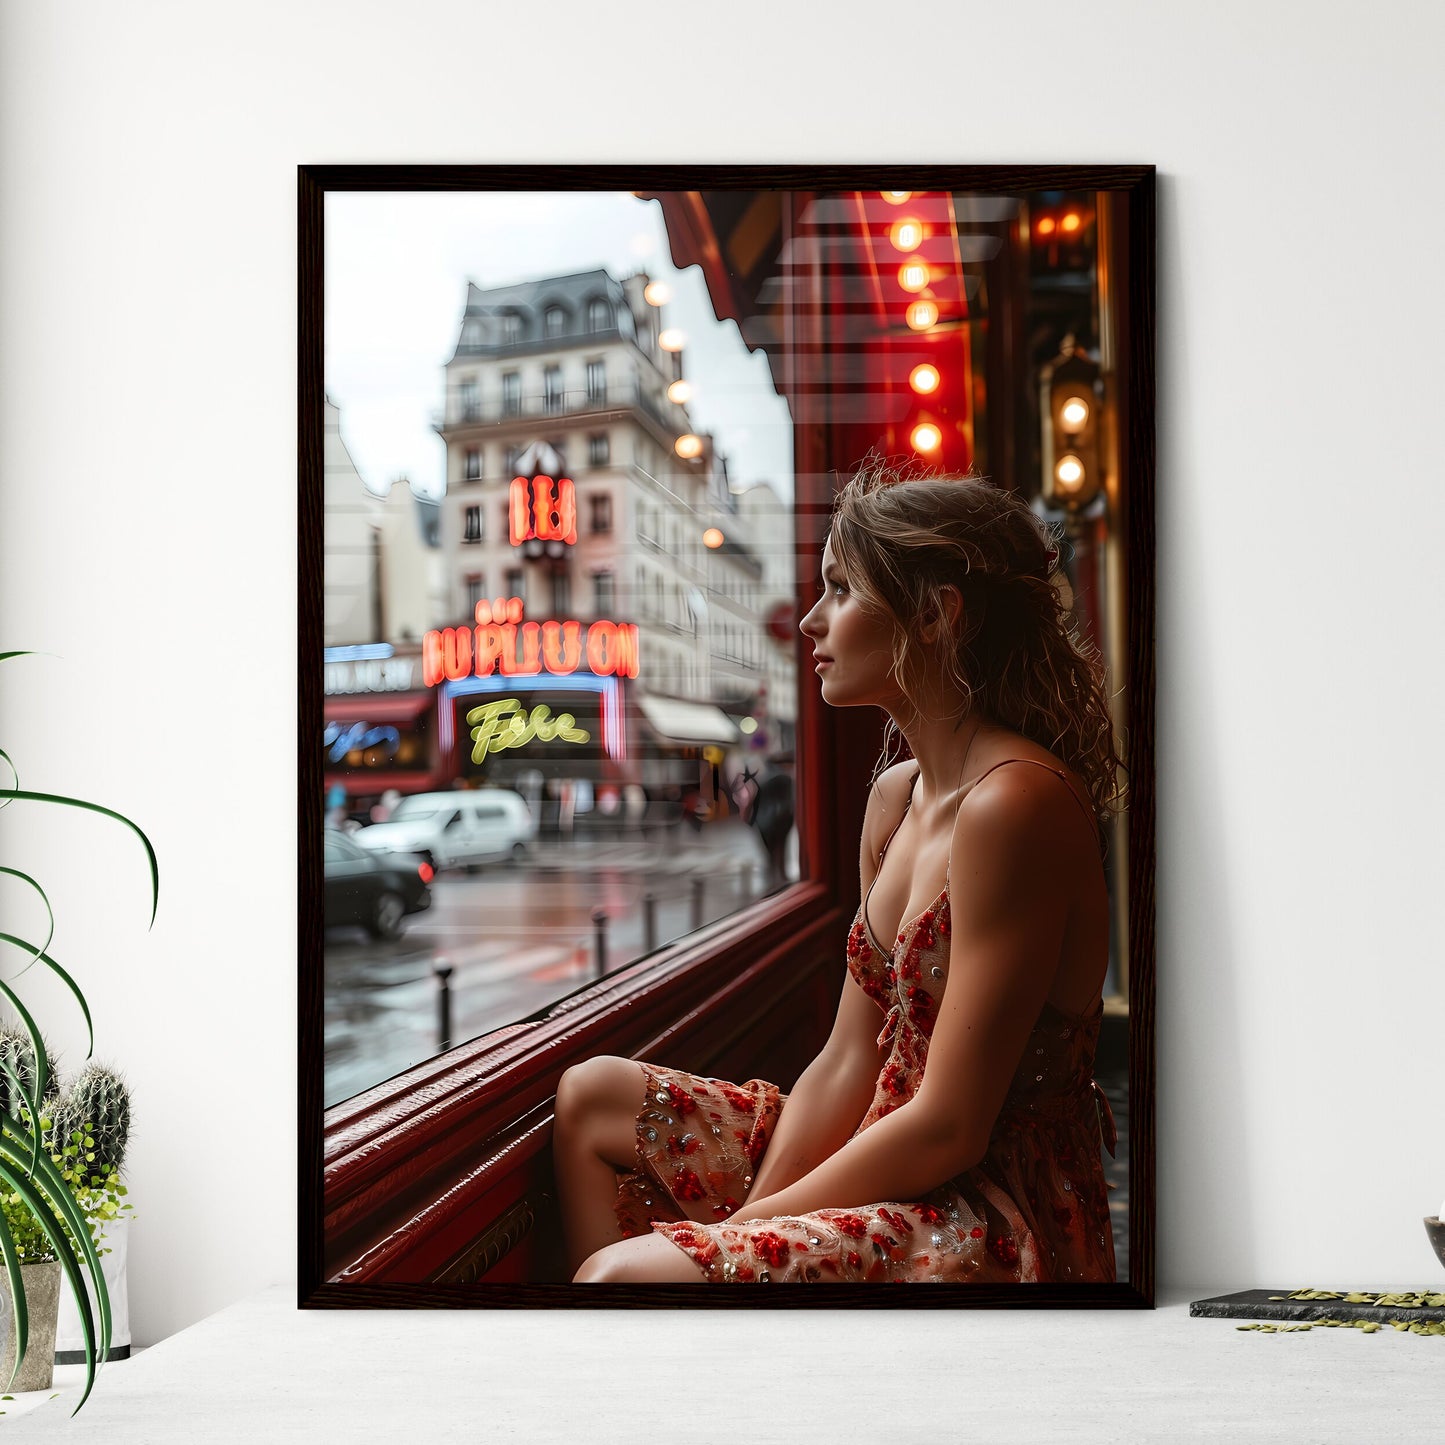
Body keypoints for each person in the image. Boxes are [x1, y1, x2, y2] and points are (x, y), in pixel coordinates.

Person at [554, 457, 1124, 1284]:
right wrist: (751, 1223)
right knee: (590, 1095)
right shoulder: (896, 798)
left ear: (935, 615)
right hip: (883, 1135)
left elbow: (951, 1127)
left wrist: (745, 1229)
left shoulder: (1015, 806)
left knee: (617, 1275)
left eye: (842, 589)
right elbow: (848, 1059)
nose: (811, 621)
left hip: (986, 1202)